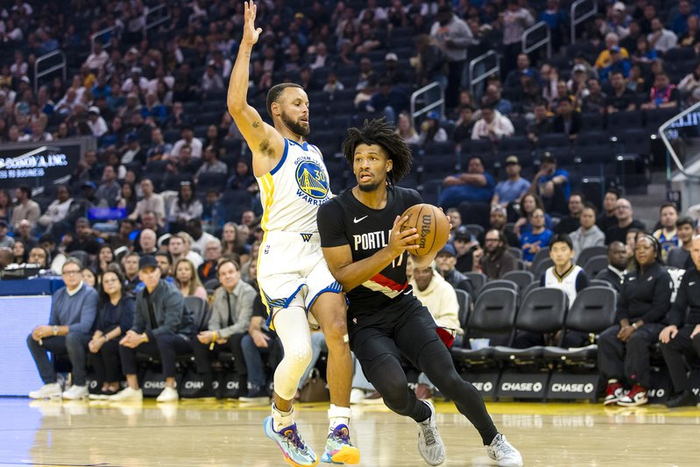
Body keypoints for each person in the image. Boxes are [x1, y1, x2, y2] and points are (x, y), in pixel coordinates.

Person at [317, 118, 523, 466]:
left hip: (404, 307)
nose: (363, 165)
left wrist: (436, 240)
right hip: (364, 318)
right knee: (395, 393)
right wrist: (391, 249)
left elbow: (421, 259)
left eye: (372, 158)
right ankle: (424, 417)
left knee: (449, 378)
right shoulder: (334, 211)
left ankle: (494, 440)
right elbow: (343, 277)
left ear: (388, 165)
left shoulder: (409, 201)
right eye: (358, 159)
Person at [227, 4, 357, 465]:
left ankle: (339, 430)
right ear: (277, 109)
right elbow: (236, 106)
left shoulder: (315, 152)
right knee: (300, 352)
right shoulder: (268, 143)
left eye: (308, 103)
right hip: (280, 255)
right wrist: (246, 46)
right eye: (298, 103)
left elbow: (325, 206)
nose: (306, 108)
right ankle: (282, 418)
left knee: (338, 333)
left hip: (318, 252)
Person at [109, 255, 195, 403]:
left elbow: (171, 327)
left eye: (153, 271)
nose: (150, 275)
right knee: (125, 343)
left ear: (159, 272)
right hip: (157, 337)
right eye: (146, 272)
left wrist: (141, 338)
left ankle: (170, 388)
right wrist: (132, 334)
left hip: (183, 337)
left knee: (164, 339)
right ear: (140, 276)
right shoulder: (141, 295)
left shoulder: (172, 293)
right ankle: (133, 389)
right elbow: (138, 323)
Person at [599, 235, 672, 407]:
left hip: (654, 323)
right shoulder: (629, 276)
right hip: (630, 323)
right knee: (606, 337)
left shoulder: (662, 275)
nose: (641, 252)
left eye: (646, 248)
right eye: (638, 248)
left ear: (655, 252)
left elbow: (660, 309)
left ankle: (639, 388)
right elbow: (622, 305)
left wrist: (634, 327)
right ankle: (614, 384)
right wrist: (625, 325)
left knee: (637, 338)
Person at [27, 258, 98, 400]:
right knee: (33, 339)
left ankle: (80, 385)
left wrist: (54, 330)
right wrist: (42, 331)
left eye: (74, 271)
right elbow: (53, 323)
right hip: (65, 338)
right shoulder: (59, 294)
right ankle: (50, 384)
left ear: (81, 274)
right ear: (62, 276)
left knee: (73, 337)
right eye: (67, 272)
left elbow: (85, 326)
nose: (71, 275)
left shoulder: (90, 293)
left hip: (86, 338)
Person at [192, 258, 256, 398]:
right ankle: (207, 387)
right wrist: (215, 335)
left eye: (231, 272)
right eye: (223, 274)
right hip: (223, 336)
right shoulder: (219, 292)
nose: (227, 276)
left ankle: (243, 386)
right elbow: (213, 321)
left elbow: (243, 325)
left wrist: (218, 335)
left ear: (238, 273)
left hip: (244, 335)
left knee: (237, 339)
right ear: (219, 278)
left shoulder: (248, 292)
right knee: (198, 340)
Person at [659, 236, 700, 408]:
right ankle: (684, 392)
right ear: (690, 253)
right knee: (668, 340)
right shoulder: (688, 275)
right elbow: (678, 306)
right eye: (696, 250)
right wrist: (672, 325)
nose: (699, 255)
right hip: (693, 326)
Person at [88, 266, 135, 397]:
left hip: (123, 335)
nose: (110, 283)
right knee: (93, 347)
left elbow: (125, 325)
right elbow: (99, 326)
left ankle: (114, 383)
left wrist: (103, 339)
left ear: (120, 282)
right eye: (106, 281)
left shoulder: (128, 300)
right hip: (106, 335)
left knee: (107, 347)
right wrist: (94, 340)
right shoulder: (104, 303)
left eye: (113, 280)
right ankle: (103, 383)